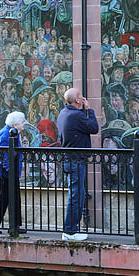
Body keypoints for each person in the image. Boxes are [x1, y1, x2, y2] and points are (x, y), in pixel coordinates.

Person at [57, 88, 99, 241]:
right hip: (75, 160)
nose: (83, 99)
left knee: (77, 194)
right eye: (81, 97)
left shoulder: (63, 113)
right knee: (76, 196)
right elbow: (94, 128)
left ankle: (72, 229)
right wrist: (90, 110)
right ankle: (69, 231)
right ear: (77, 101)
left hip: (70, 159)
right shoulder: (76, 115)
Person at [0, 111, 28, 235]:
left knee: (14, 199)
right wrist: (11, 172)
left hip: (10, 173)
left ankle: (15, 225)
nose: (24, 123)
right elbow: (3, 156)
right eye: (22, 122)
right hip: (5, 174)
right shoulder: (5, 135)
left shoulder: (12, 133)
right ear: (14, 125)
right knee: (2, 199)